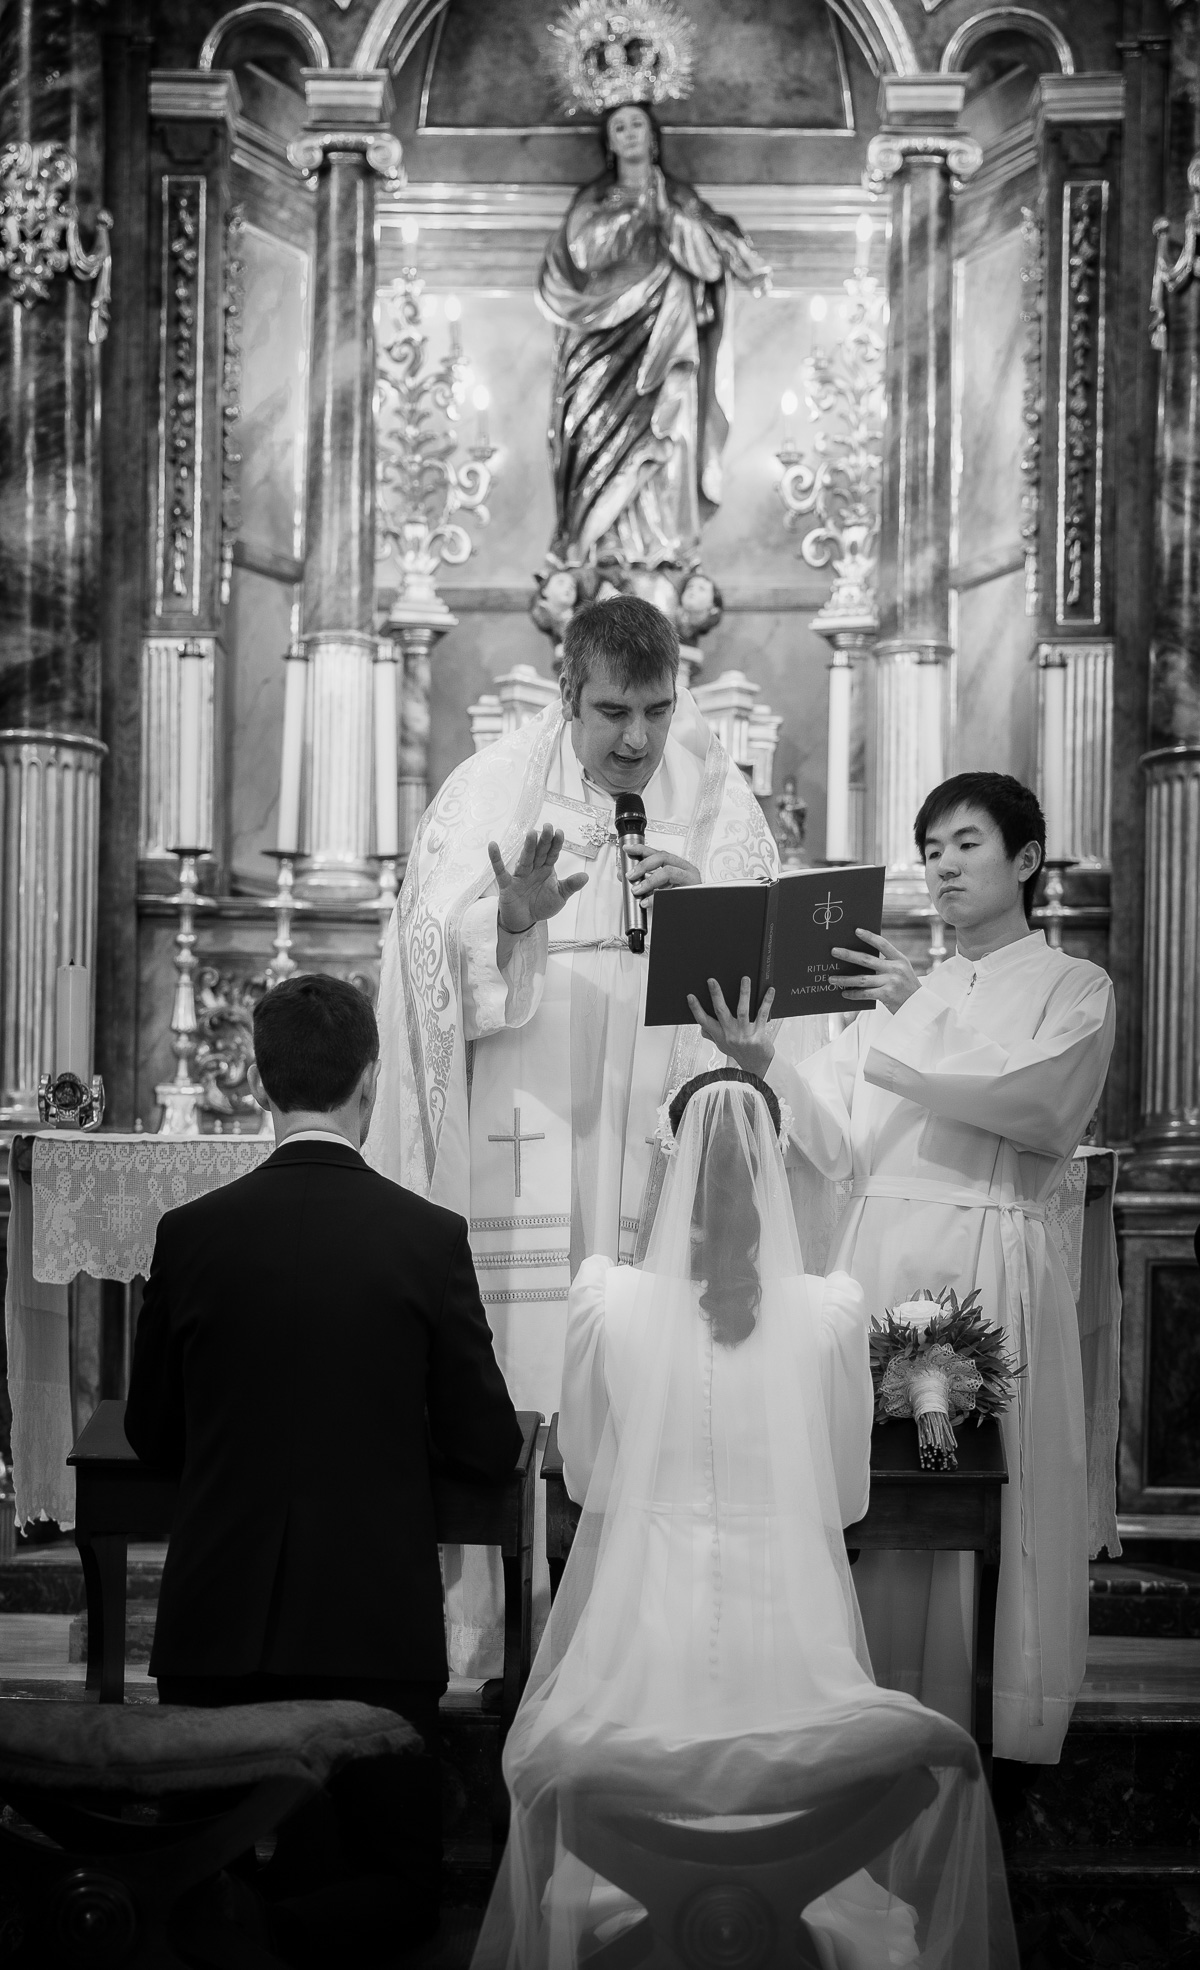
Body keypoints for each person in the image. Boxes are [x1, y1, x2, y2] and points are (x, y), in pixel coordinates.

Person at [473, 1072, 1017, 1970]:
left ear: (668, 1158)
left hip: (643, 1625)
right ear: (775, 1166)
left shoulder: (606, 1299)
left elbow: (591, 1480)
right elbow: (844, 1495)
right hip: (788, 1621)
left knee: (589, 1766)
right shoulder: (831, 1309)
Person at [367, 594, 777, 1673]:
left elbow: (766, 984)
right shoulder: (488, 790)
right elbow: (424, 966)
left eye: (654, 709)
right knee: (520, 1360)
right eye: (610, 713)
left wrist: (707, 905)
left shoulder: (716, 792)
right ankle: (493, 1628)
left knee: (649, 1369)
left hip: (657, 1130)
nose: (636, 739)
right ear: (568, 693)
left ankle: (647, 1637)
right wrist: (510, 921)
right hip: (528, 1118)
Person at [691, 772, 1116, 1765]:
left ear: (1023, 860)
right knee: (879, 1494)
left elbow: (1039, 1103)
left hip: (987, 1257)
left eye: (967, 843)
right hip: (879, 1262)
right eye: (930, 848)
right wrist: (765, 1064)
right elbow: (838, 1144)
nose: (944, 864)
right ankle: (866, 1698)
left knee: (981, 1489)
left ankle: (993, 1706)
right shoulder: (894, 991)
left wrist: (917, 1005)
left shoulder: (1071, 985)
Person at [124, 973, 523, 1965]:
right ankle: (286, 1930)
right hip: (372, 1634)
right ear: (369, 1082)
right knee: (399, 1889)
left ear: (263, 1082)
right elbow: (485, 1445)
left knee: (200, 1867)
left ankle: (249, 1928)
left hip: (217, 1633)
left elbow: (151, 1433)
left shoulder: (192, 1234)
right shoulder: (426, 1238)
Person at [537, 100, 769, 576]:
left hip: (668, 334)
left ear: (652, 134)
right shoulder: (596, 199)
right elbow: (583, 250)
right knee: (595, 434)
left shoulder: (679, 196)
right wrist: (641, 212)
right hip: (602, 337)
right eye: (618, 126)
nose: (628, 133)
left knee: (670, 432)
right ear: (608, 140)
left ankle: (664, 544)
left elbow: (715, 247)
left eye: (636, 124)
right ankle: (600, 550)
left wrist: (672, 219)